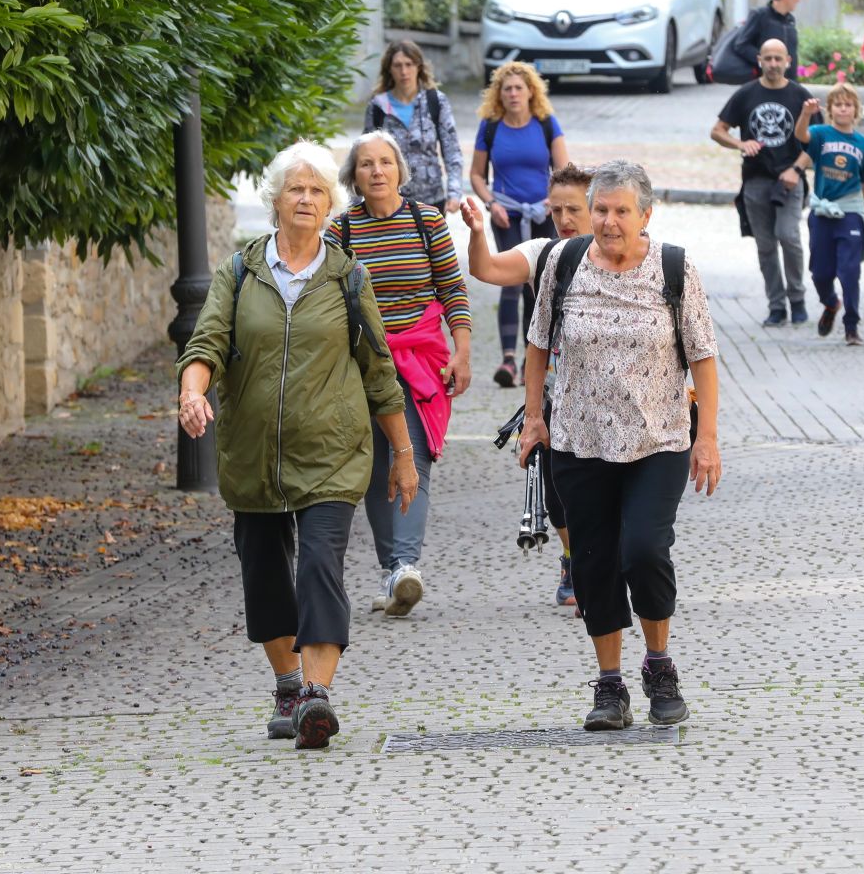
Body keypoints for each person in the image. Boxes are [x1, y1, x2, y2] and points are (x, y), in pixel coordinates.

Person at [176, 141, 416, 751]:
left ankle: (315, 696)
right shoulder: (239, 273)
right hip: (253, 451)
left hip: (333, 451)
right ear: (275, 201)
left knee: (318, 566)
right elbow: (204, 342)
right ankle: (287, 681)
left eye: (316, 191)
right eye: (295, 190)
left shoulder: (347, 276)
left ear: (330, 204)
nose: (306, 199)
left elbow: (378, 369)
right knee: (264, 573)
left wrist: (404, 453)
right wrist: (192, 393)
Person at [521, 160, 720, 731]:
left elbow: (702, 357)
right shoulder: (564, 264)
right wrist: (536, 419)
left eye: (620, 211)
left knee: (644, 552)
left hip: (658, 439)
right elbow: (538, 345)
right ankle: (610, 686)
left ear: (646, 215)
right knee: (593, 563)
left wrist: (706, 439)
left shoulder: (674, 269)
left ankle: (659, 666)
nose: (608, 222)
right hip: (579, 441)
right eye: (601, 210)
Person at [331, 131, 473, 619]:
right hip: (361, 363)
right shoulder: (342, 231)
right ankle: (395, 571)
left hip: (418, 361)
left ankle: (405, 564)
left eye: (385, 163)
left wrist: (464, 351)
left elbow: (453, 289)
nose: (376, 171)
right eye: (366, 164)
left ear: (399, 170)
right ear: (354, 176)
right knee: (373, 468)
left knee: (411, 455)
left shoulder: (425, 220)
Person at [460, 164, 596, 609]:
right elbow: (485, 268)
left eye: (573, 209)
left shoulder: (631, 258)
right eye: (555, 209)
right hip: (556, 394)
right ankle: (574, 557)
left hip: (614, 396)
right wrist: (478, 231)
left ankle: (604, 560)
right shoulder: (545, 253)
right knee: (558, 492)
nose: (562, 218)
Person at [469, 61, 571, 386]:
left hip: (543, 213)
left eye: (518, 88)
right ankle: (508, 361)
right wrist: (491, 203)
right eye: (507, 88)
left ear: (530, 92)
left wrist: (552, 202)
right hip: (506, 213)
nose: (513, 94)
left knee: (539, 285)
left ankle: (534, 357)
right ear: (499, 93)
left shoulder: (545, 123)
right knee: (510, 281)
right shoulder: (491, 126)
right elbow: (476, 174)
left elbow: (564, 170)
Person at [712, 38, 813, 327]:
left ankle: (798, 299)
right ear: (759, 60)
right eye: (767, 58)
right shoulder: (746, 94)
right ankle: (776, 306)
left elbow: (816, 142)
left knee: (789, 236)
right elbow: (717, 130)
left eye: (777, 59)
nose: (772, 64)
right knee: (766, 245)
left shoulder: (799, 95)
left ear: (788, 61)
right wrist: (739, 143)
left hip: (790, 181)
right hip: (755, 180)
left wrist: (796, 169)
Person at [796, 85, 864, 345]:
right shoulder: (821, 134)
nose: (843, 108)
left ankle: (851, 325)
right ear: (830, 109)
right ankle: (831, 303)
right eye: (838, 104)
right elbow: (800, 135)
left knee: (849, 271)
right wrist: (806, 114)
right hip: (822, 212)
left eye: (849, 104)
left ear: (856, 110)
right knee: (820, 272)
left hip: (851, 214)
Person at [362, 40, 465, 210]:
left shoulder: (435, 101)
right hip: (391, 202)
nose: (404, 72)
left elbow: (452, 150)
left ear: (419, 67)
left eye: (409, 64)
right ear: (389, 69)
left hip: (432, 200)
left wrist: (454, 192)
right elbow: (365, 155)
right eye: (398, 65)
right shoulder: (378, 106)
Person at [735, 0, 802, 75]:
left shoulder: (790, 20)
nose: (798, 0)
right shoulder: (759, 15)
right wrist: (768, 62)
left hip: (788, 85)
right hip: (764, 83)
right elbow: (742, 45)